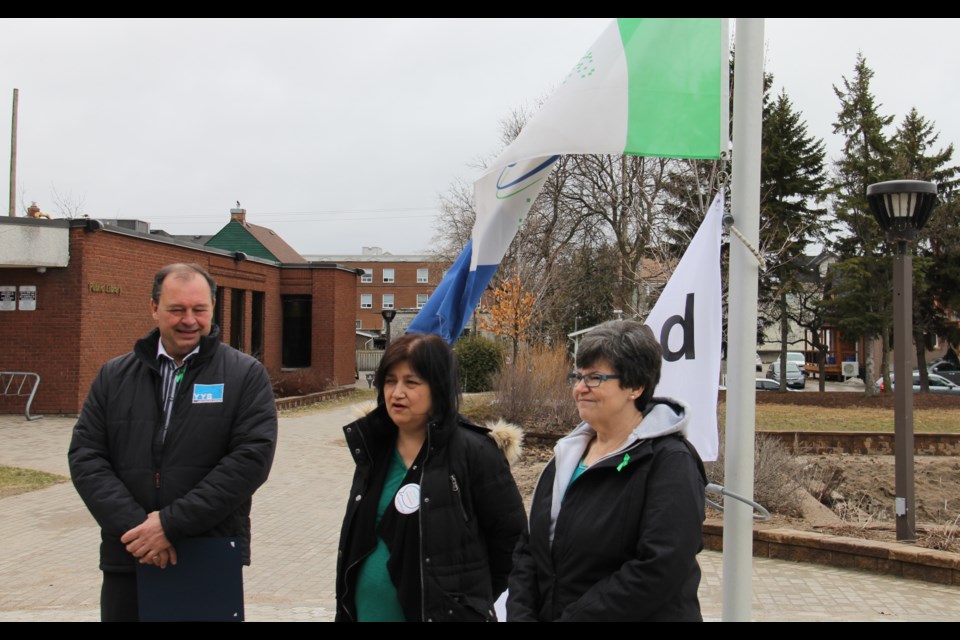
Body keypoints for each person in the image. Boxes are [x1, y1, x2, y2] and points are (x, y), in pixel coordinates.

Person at [68, 263, 278, 622]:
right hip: (129, 552)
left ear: (212, 308)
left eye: (199, 310)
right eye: (177, 309)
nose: (189, 320)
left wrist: (169, 524)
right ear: (154, 308)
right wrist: (140, 529)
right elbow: (86, 457)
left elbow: (250, 460)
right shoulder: (113, 376)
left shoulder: (245, 375)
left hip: (207, 552)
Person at [507, 320, 706, 622]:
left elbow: (660, 567)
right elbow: (529, 549)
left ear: (636, 386)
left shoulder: (669, 462)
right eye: (578, 376)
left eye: (595, 378)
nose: (579, 389)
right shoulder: (567, 456)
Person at [336, 332, 526, 622]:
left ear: (438, 389)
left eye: (411, 382)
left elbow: (511, 547)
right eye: (390, 381)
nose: (397, 393)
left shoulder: (475, 453)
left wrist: (464, 605)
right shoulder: (374, 449)